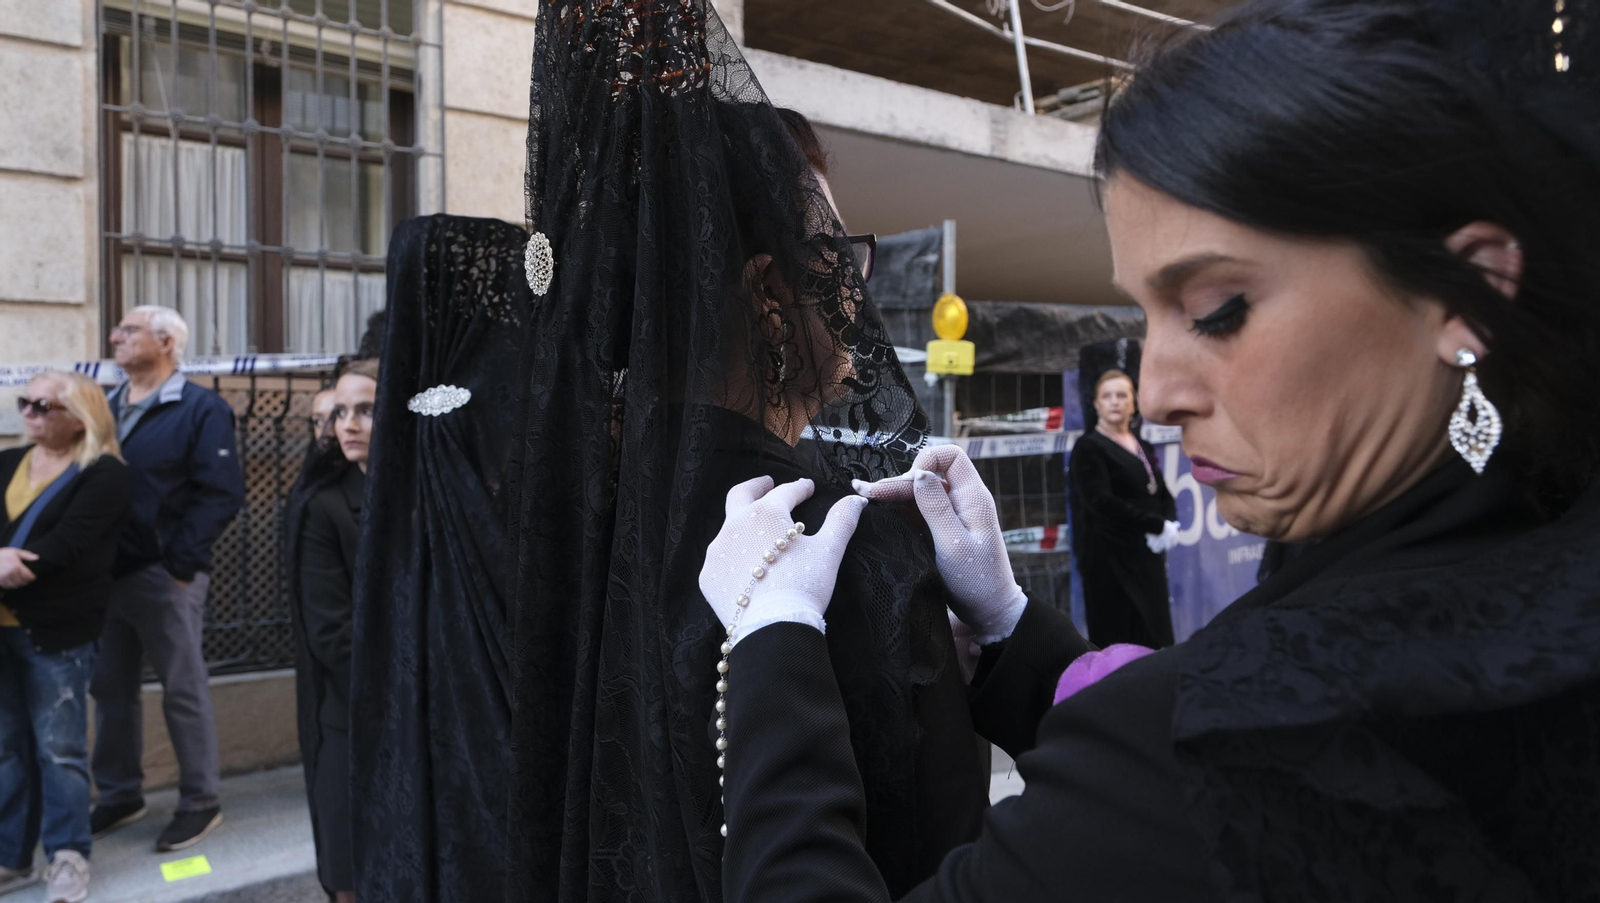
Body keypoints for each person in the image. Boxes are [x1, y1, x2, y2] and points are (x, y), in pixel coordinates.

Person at [704, 0, 1600, 900]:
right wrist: (1014, 627)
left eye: (1216, 310)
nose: (1159, 390)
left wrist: (772, 642)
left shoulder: (1225, 745)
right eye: (1143, 313)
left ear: (1471, 294)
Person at [496, 4, 983, 902]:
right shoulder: (842, 542)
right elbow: (951, 856)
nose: (854, 286)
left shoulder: (581, 521)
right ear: (768, 293)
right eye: (839, 254)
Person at [90, 304, 245, 852]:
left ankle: (201, 801)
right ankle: (119, 794)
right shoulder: (107, 406)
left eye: (129, 330)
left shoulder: (200, 408)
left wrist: (181, 564)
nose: (116, 337)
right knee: (109, 688)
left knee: (182, 688)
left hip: (164, 575)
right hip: (108, 573)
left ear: (166, 343)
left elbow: (221, 491)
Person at [0, 372, 129, 903]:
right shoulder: (8, 462)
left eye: (42, 405)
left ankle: (68, 856)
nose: (29, 412)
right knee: (6, 749)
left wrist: (12, 561)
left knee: (61, 750)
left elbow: (68, 546)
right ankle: (12, 857)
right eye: (23, 402)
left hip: (56, 630)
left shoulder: (103, 474)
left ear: (79, 417)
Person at [290, 360, 375, 902]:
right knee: (347, 874)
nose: (347, 424)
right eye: (340, 411)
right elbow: (332, 634)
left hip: (438, 718)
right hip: (351, 713)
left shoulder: (438, 492)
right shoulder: (324, 507)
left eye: (365, 409)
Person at [1067, 369, 1178, 647]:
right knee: (1119, 636)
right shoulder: (1089, 447)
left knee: (1154, 632)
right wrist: (1155, 525)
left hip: (1146, 554)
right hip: (1110, 560)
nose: (1115, 401)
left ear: (1134, 402)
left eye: (1121, 395)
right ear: (1096, 404)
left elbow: (1162, 491)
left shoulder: (1143, 445)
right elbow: (1100, 503)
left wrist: (1169, 521)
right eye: (1107, 396)